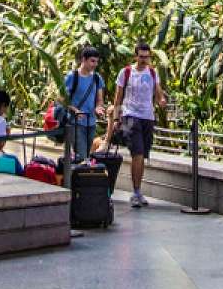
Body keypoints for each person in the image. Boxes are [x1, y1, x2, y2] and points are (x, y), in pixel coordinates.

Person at [112, 42, 167, 208]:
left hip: (147, 117)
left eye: (147, 57)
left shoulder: (152, 72)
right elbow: (118, 98)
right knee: (137, 153)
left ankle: (138, 190)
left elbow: (158, 92)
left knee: (142, 155)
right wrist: (116, 119)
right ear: (136, 56)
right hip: (130, 116)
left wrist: (162, 100)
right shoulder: (126, 72)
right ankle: (136, 193)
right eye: (141, 57)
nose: (144, 60)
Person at [61, 47, 107, 162]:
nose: (95, 64)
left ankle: (76, 177)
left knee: (86, 155)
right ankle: (72, 177)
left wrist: (99, 108)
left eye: (96, 61)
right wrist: (75, 110)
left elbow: (100, 99)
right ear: (83, 60)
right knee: (81, 155)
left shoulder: (97, 78)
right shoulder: (72, 77)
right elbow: (61, 99)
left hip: (91, 122)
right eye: (92, 61)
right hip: (75, 122)